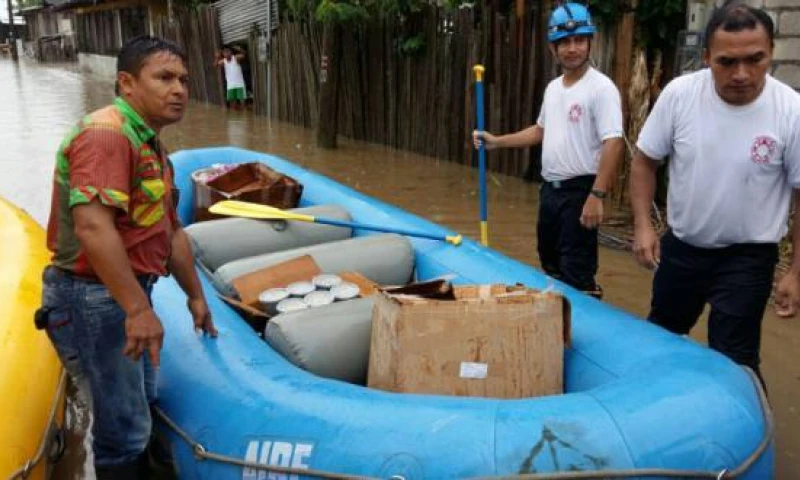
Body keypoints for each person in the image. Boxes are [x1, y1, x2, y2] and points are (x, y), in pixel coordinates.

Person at [37, 35, 218, 479]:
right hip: (92, 298)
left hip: (125, 293)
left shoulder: (151, 144)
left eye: (184, 80)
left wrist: (195, 296)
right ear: (127, 82)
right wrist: (136, 309)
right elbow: (93, 227)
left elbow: (169, 229)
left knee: (140, 406)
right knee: (123, 431)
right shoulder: (107, 135)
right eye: (164, 78)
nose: (179, 89)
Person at [631, 2, 800, 385]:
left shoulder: (791, 110)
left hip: (748, 257)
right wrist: (643, 226)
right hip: (683, 247)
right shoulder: (680, 95)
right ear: (707, 57)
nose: (742, 74)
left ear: (771, 52)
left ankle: (752, 440)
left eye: (755, 59)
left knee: (735, 356)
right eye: (727, 62)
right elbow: (644, 162)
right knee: (660, 339)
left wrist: (795, 272)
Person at [473, 2, 624, 298]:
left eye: (579, 40)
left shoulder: (601, 88)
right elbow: (540, 130)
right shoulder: (554, 88)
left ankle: (584, 319)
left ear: (590, 42)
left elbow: (614, 141)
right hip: (550, 191)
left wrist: (597, 195)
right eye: (564, 42)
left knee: (576, 268)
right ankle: (556, 322)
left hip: (580, 191)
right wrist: (497, 141)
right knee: (549, 260)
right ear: (553, 48)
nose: (572, 48)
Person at [216, 45, 247, 110]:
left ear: (231, 52)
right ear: (223, 54)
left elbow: (244, 55)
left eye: (228, 51)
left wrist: (240, 49)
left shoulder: (235, 58)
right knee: (232, 106)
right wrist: (217, 57)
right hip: (230, 86)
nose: (227, 53)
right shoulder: (223, 61)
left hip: (240, 85)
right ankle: (233, 119)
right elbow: (215, 65)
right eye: (224, 52)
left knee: (243, 104)